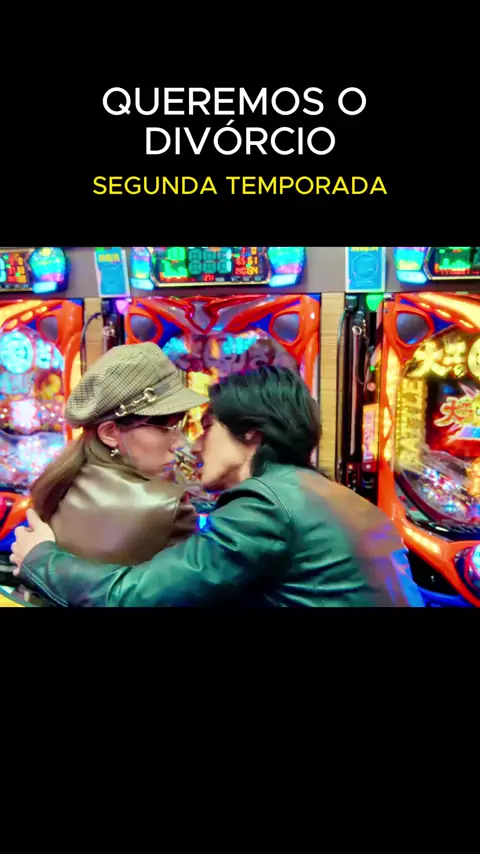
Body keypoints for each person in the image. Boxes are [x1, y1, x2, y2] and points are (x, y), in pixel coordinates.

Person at [11, 367, 424, 607]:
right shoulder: (324, 494)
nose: (194, 444)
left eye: (208, 428)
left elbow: (135, 597)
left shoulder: (265, 506)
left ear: (251, 434)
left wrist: (40, 557)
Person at [25, 342, 207, 566]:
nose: (178, 443)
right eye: (165, 428)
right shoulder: (168, 506)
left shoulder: (58, 481)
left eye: (179, 425)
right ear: (110, 433)